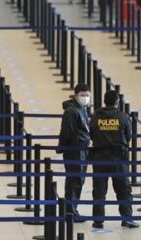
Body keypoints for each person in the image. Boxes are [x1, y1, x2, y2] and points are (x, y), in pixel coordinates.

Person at [89, 90, 139, 229]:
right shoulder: (122, 117)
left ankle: (98, 220)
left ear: (104, 101)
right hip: (118, 158)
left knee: (99, 189)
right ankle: (127, 219)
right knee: (123, 189)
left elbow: (91, 134)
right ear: (117, 102)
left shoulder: (96, 117)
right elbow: (129, 136)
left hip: (99, 157)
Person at [58, 83, 91, 220]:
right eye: (82, 95)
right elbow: (67, 131)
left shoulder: (81, 108)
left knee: (78, 180)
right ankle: (70, 212)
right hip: (75, 150)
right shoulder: (72, 111)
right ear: (76, 95)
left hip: (81, 148)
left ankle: (72, 209)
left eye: (87, 95)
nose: (85, 98)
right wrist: (62, 147)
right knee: (75, 180)